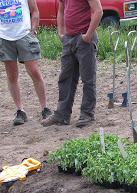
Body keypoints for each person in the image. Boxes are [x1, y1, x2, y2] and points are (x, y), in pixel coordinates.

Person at [0, 0, 52, 126]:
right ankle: (20, 110)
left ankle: (45, 108)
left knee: (34, 72)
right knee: (12, 76)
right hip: (4, 39)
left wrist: (32, 31)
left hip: (24, 35)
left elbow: (35, 11)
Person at [42, 0, 103, 128]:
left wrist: (88, 35)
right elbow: (61, 10)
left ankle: (87, 114)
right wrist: (61, 33)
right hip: (69, 39)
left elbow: (98, 11)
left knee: (88, 79)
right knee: (65, 78)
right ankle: (62, 114)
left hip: (84, 38)